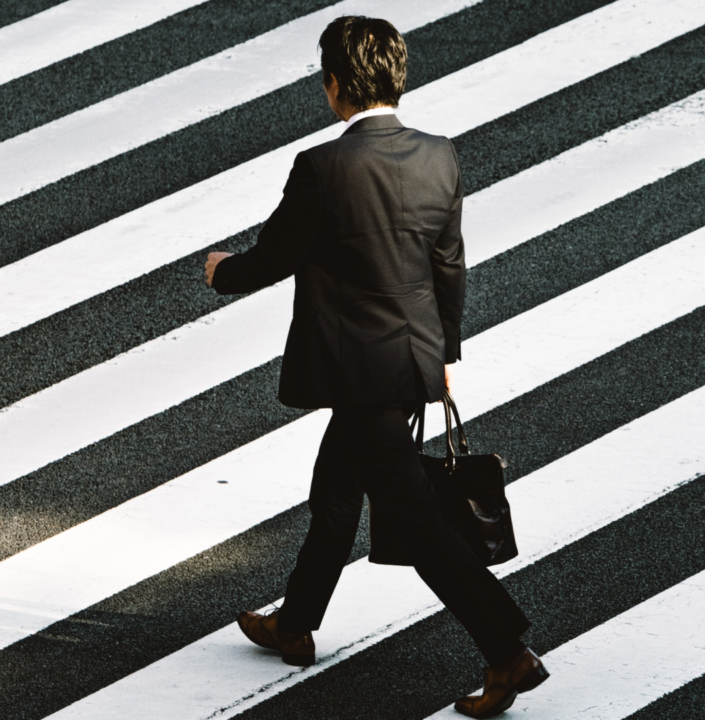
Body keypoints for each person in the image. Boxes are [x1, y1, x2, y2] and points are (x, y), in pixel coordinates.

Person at [203, 15, 548, 718]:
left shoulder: (324, 168)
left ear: (335, 87)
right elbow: (447, 265)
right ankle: (296, 621)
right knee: (336, 492)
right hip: (407, 360)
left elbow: (273, 258)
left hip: (355, 370)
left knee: (418, 523)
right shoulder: (439, 156)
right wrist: (442, 354)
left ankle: (508, 651)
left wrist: (219, 272)